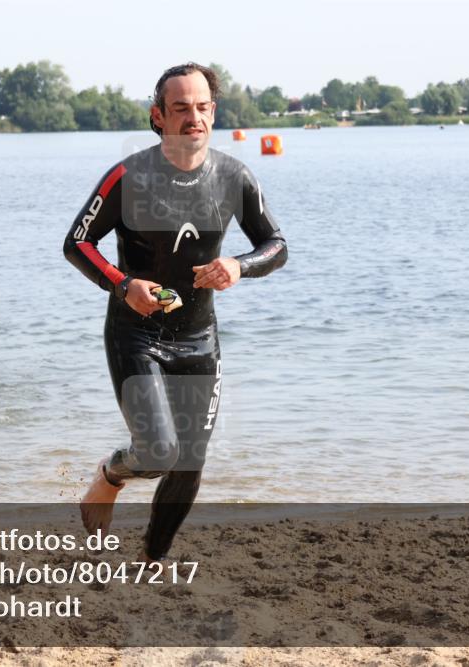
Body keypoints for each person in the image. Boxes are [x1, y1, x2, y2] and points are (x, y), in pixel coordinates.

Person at [63, 63, 288, 561]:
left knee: (189, 462)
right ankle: (109, 476)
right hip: (135, 334)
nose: (193, 117)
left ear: (214, 112)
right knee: (159, 452)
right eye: (181, 108)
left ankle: (150, 560)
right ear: (158, 117)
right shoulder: (130, 175)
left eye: (202, 107)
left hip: (198, 338)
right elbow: (77, 243)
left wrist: (239, 265)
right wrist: (123, 285)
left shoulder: (233, 176)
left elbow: (276, 244)